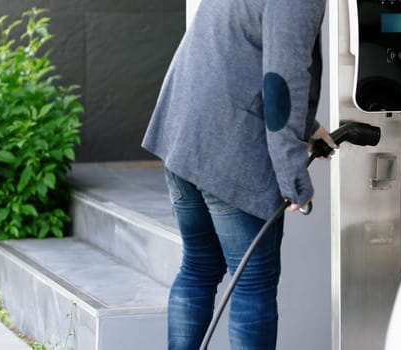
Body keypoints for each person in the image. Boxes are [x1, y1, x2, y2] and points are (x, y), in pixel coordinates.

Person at [141, 0, 335, 349]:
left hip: (183, 136)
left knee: (198, 269)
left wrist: (309, 127)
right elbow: (282, 80)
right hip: (230, 151)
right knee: (252, 285)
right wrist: (293, 176)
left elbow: (240, 52)